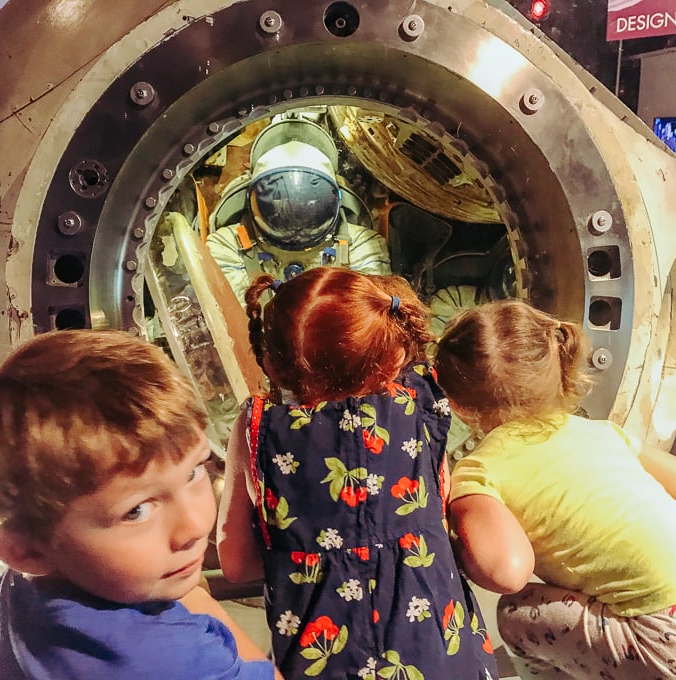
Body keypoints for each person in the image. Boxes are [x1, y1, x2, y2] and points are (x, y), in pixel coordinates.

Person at [217, 267, 498, 680]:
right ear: (391, 354)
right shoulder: (421, 404)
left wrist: (302, 554)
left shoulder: (259, 427)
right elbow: (439, 497)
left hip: (324, 660)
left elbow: (237, 564)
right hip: (438, 650)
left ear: (272, 362)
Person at [0, 330, 280, 680]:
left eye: (194, 471)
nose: (193, 528)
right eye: (137, 511)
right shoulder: (173, 660)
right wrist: (199, 602)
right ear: (26, 551)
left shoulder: (21, 590)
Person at [434, 298, 676, 679]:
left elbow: (507, 573)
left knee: (515, 612)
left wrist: (453, 524)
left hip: (661, 637)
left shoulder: (480, 470)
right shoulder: (603, 432)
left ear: (456, 406)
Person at [206, 115, 391, 306]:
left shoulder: (361, 245)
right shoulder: (228, 244)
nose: (295, 222)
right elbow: (230, 314)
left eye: (309, 202)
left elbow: (368, 314)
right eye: (280, 202)